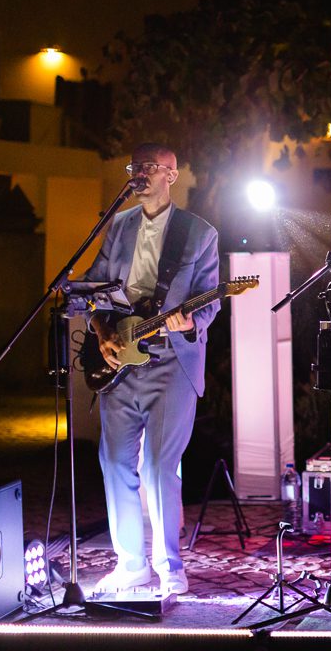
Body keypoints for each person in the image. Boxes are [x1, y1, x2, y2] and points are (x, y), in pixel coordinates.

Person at [84, 143, 220, 596]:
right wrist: (102, 331)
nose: (140, 174)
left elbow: (211, 297)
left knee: (161, 464)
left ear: (171, 175)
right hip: (121, 358)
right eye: (134, 167)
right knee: (115, 460)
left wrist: (190, 321)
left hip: (171, 360)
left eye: (149, 168)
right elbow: (96, 286)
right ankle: (130, 563)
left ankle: (168, 565)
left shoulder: (199, 233)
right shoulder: (117, 226)